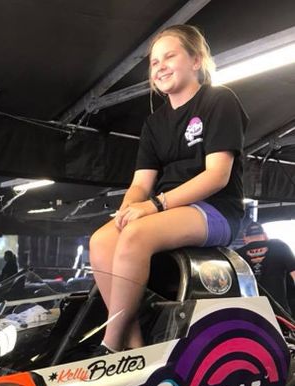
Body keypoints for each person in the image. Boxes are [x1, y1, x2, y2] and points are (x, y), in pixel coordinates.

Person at [89, 24, 248, 352]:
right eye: (153, 62)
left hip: (216, 208)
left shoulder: (219, 100)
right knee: (102, 239)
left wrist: (154, 206)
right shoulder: (154, 123)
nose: (159, 66)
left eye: (169, 56)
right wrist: (127, 210)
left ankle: (108, 344)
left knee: (136, 235)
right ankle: (132, 348)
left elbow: (217, 175)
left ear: (196, 60)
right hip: (169, 209)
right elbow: (139, 184)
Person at [237, 222, 295, 315]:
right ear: (264, 235)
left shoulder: (236, 255)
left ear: (245, 239)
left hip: (251, 313)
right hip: (280, 313)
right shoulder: (279, 246)